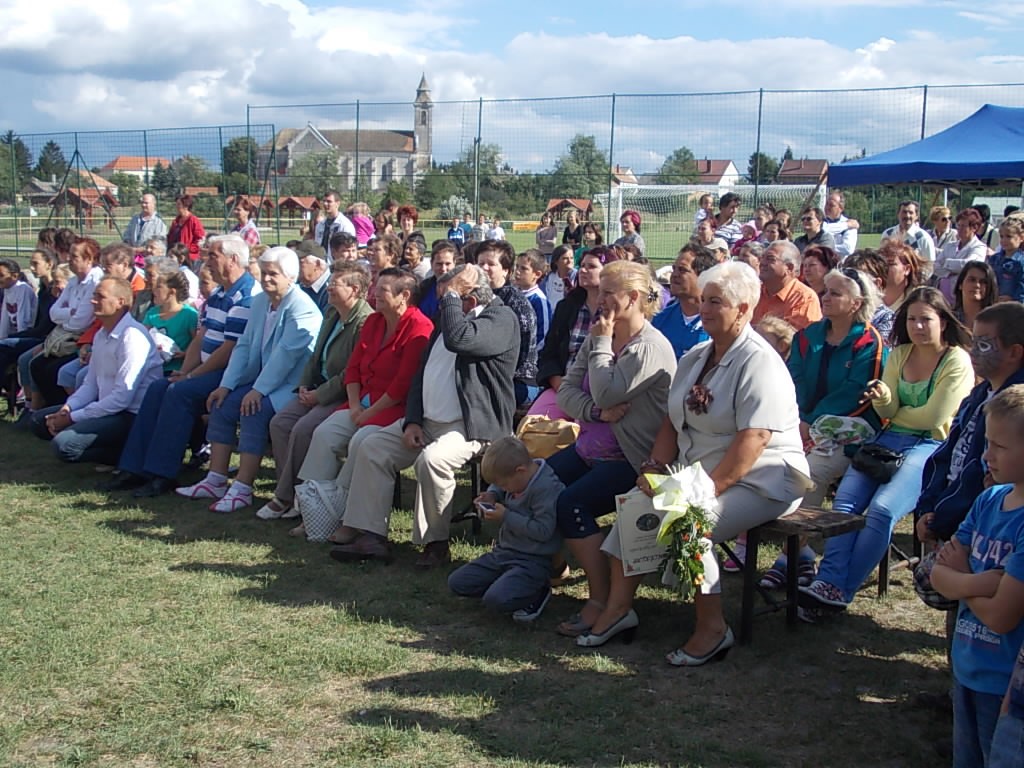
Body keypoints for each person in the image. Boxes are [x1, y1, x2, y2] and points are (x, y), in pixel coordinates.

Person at [579, 261, 811, 661]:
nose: (704, 308)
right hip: (699, 473)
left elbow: (754, 440)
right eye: (703, 300)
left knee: (690, 524)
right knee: (635, 510)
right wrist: (654, 468)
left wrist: (705, 491)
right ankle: (618, 610)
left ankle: (713, 629)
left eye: (716, 302)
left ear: (744, 309)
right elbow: (672, 419)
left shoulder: (760, 362)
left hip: (763, 479)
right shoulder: (697, 355)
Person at [327, 264, 519, 567]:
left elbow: (460, 340)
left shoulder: (501, 318)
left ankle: (435, 543)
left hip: (470, 426)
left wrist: (451, 297)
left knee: (433, 460)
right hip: (427, 422)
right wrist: (413, 420)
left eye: (449, 297)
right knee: (372, 446)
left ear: (469, 298)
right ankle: (371, 536)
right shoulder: (449, 318)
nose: (443, 304)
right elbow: (421, 374)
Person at [799, 286, 974, 617]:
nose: (917, 326)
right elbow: (888, 410)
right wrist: (883, 399)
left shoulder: (957, 360)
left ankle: (840, 589)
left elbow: (934, 418)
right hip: (887, 439)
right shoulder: (899, 354)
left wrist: (894, 411)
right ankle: (828, 582)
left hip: (932, 447)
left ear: (943, 321)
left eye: (926, 319)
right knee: (844, 504)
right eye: (911, 319)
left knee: (881, 510)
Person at [546, 261, 677, 638]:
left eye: (607, 293)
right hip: (590, 446)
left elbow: (607, 390)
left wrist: (602, 346)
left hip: (635, 459)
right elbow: (567, 391)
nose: (599, 299)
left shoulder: (648, 347)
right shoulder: (600, 335)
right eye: (599, 291)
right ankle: (540, 572)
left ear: (633, 297)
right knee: (539, 484)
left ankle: (601, 600)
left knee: (572, 504)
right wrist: (596, 412)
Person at [758, 268, 887, 589]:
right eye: (825, 291)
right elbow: (794, 379)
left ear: (856, 303)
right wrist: (801, 420)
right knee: (769, 463)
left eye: (835, 293)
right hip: (800, 423)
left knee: (810, 473)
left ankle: (789, 556)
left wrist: (812, 422)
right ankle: (801, 555)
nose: (825, 298)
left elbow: (856, 391)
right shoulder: (808, 336)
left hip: (849, 429)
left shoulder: (868, 341)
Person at [105, 234, 259, 498]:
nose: (207, 261)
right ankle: (133, 468)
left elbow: (230, 349)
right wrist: (186, 371)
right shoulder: (219, 293)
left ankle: (162, 473)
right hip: (208, 369)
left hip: (232, 374)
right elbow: (201, 337)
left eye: (213, 256)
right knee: (158, 388)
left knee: (179, 393)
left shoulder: (246, 296)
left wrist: (192, 376)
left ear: (233, 259)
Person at [176, 246, 322, 513]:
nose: (266, 279)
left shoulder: (303, 309)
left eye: (273, 274)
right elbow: (243, 346)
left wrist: (257, 391)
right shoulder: (260, 302)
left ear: (291, 277)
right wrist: (226, 385)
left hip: (292, 385)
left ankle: (242, 488)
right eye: (263, 273)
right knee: (222, 403)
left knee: (253, 409)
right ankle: (216, 479)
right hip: (263, 380)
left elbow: (285, 357)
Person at [289, 268, 432, 537]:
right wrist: (355, 406)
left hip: (394, 408)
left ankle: (346, 519)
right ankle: (312, 511)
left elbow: (402, 385)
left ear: (404, 296)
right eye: (375, 288)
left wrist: (368, 414)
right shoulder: (374, 322)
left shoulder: (419, 328)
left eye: (382, 290)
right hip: (361, 402)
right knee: (324, 433)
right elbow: (353, 369)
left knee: (361, 441)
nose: (373, 294)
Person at [930, 385, 1024, 768]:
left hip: (1004, 681)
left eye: (999, 446)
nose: (987, 455)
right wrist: (979, 583)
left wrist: (961, 579)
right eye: (988, 443)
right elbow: (938, 572)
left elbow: (1002, 617)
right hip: (966, 667)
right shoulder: (988, 500)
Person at [259, 263, 374, 520]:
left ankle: (286, 497)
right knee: (280, 423)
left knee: (303, 429)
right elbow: (316, 355)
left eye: (335, 284)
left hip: (342, 395)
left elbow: (351, 372)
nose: (329, 287)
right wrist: (304, 383)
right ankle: (295, 491)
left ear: (355, 290)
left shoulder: (365, 322)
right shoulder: (332, 313)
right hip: (317, 387)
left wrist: (318, 396)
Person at [30, 277, 163, 464]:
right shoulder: (101, 335)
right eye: (94, 295)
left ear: (120, 302)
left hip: (130, 414)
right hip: (107, 407)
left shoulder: (132, 337)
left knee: (64, 445)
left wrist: (72, 418)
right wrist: (68, 408)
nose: (93, 301)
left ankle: (124, 454)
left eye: (100, 296)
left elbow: (121, 399)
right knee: (38, 421)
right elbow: (90, 384)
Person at [448, 436, 565, 621]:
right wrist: (492, 495)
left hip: (533, 560)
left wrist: (506, 516)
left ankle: (538, 590)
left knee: (495, 600)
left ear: (520, 470)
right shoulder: (519, 477)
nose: (505, 489)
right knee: (457, 582)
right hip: (504, 552)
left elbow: (544, 531)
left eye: (504, 485)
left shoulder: (546, 488)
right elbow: (500, 485)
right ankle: (510, 584)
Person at [529, 246, 620, 419]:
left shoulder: (617, 312)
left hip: (602, 393)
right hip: (563, 388)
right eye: (582, 265)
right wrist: (560, 384)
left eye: (591, 266)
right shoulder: (567, 307)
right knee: (533, 428)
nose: (582, 270)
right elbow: (549, 353)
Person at [30, 237, 104, 408]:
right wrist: (70, 312)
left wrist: (65, 316)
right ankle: (47, 409)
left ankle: (61, 410)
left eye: (74, 256)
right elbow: (53, 313)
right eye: (69, 255)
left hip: (81, 339)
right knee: (36, 365)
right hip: (63, 336)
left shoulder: (95, 282)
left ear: (89, 259)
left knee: (53, 370)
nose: (69, 259)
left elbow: (81, 322)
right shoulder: (73, 281)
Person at [476, 240, 538, 406]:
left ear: (506, 270)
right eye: (481, 263)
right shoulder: (472, 297)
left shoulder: (516, 303)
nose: (484, 268)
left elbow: (524, 350)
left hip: (515, 379)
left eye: (491, 264)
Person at [652, 244, 716, 359]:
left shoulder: (717, 322)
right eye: (674, 269)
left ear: (703, 276)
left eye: (682, 270)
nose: (674, 275)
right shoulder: (661, 319)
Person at [753, 240, 823, 331]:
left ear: (789, 268)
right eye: (762, 258)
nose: (762, 263)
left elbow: (790, 336)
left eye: (770, 259)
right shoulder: (754, 291)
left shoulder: (804, 298)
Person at [143, 271, 199, 375]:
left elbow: (197, 341)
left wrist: (185, 353)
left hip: (176, 369)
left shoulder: (189, 314)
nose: (154, 290)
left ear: (172, 292)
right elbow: (143, 336)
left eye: (159, 287)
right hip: (153, 368)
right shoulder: (152, 313)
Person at [934, 208, 988, 302]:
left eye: (963, 226)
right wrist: (950, 273)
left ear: (974, 228)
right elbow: (935, 266)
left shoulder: (979, 247)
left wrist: (946, 263)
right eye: (958, 225)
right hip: (943, 296)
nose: (959, 229)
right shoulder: (950, 245)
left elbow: (969, 265)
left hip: (962, 297)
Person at [881, 200, 936, 275]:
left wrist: (918, 280)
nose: (907, 216)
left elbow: (930, 265)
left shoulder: (924, 238)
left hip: (915, 279)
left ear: (916, 216)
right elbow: (882, 259)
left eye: (911, 212)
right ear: (898, 214)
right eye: (904, 212)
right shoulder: (888, 234)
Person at [513, 250, 552, 348]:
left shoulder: (539, 300)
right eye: (517, 266)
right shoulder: (513, 294)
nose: (517, 271)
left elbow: (544, 335)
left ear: (537, 274)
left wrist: (531, 353)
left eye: (524, 268)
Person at [878, 240, 924, 315]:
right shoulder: (869, 297)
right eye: (880, 263)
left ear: (907, 269)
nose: (883, 267)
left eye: (890, 263)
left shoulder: (920, 298)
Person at [418, 240, 459, 321]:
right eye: (439, 264)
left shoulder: (462, 290)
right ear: (431, 264)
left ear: (454, 263)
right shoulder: (423, 287)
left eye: (447, 264)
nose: (443, 269)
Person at [0, 258, 38, 341]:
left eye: (1, 275)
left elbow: (23, 318)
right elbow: (4, 318)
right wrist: (2, 338)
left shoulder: (23, 288)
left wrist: (19, 341)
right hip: (16, 333)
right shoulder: (7, 289)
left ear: (14, 276)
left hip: (26, 334)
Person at [953, 261, 997, 330]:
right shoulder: (949, 319)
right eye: (972, 280)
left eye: (983, 282)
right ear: (960, 284)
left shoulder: (998, 322)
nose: (977, 285)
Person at [991, 216, 1024, 303]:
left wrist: (1014, 300)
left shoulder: (1021, 262)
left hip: (1014, 307)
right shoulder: (994, 259)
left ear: (1021, 238)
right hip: (994, 303)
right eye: (1001, 236)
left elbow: (1022, 286)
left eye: (1009, 236)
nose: (1004, 240)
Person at [364, 234, 402, 310]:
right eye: (372, 250)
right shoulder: (373, 275)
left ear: (391, 255)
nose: (372, 253)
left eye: (377, 250)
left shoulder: (394, 279)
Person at [166, 194, 206, 264]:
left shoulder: (193, 220)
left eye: (179, 204)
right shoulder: (176, 221)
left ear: (186, 206)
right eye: (176, 204)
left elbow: (200, 240)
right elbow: (170, 238)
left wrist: (187, 249)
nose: (176, 206)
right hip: (174, 256)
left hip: (188, 258)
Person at [822, 191, 860, 259]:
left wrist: (825, 246)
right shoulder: (820, 222)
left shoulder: (851, 224)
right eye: (826, 204)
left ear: (841, 208)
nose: (827, 207)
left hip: (841, 264)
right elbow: (823, 231)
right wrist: (846, 225)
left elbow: (848, 249)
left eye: (831, 205)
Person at [295, 241, 330, 310]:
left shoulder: (331, 290)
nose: (295, 266)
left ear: (317, 264)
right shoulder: (299, 285)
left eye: (300, 262)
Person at [541, 245, 576, 311]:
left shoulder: (577, 277)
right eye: (565, 258)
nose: (569, 261)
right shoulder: (549, 278)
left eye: (571, 258)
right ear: (556, 261)